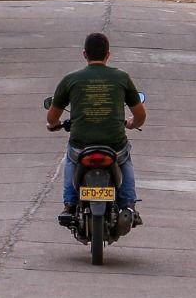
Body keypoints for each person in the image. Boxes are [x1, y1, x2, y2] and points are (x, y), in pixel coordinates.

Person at [48, 32, 146, 225]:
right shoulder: (122, 77)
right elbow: (140, 116)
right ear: (108, 54)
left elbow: (52, 117)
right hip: (114, 146)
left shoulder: (71, 79)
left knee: (71, 158)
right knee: (125, 158)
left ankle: (69, 204)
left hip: (81, 146)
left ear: (84, 54)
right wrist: (132, 124)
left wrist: (53, 125)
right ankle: (128, 205)